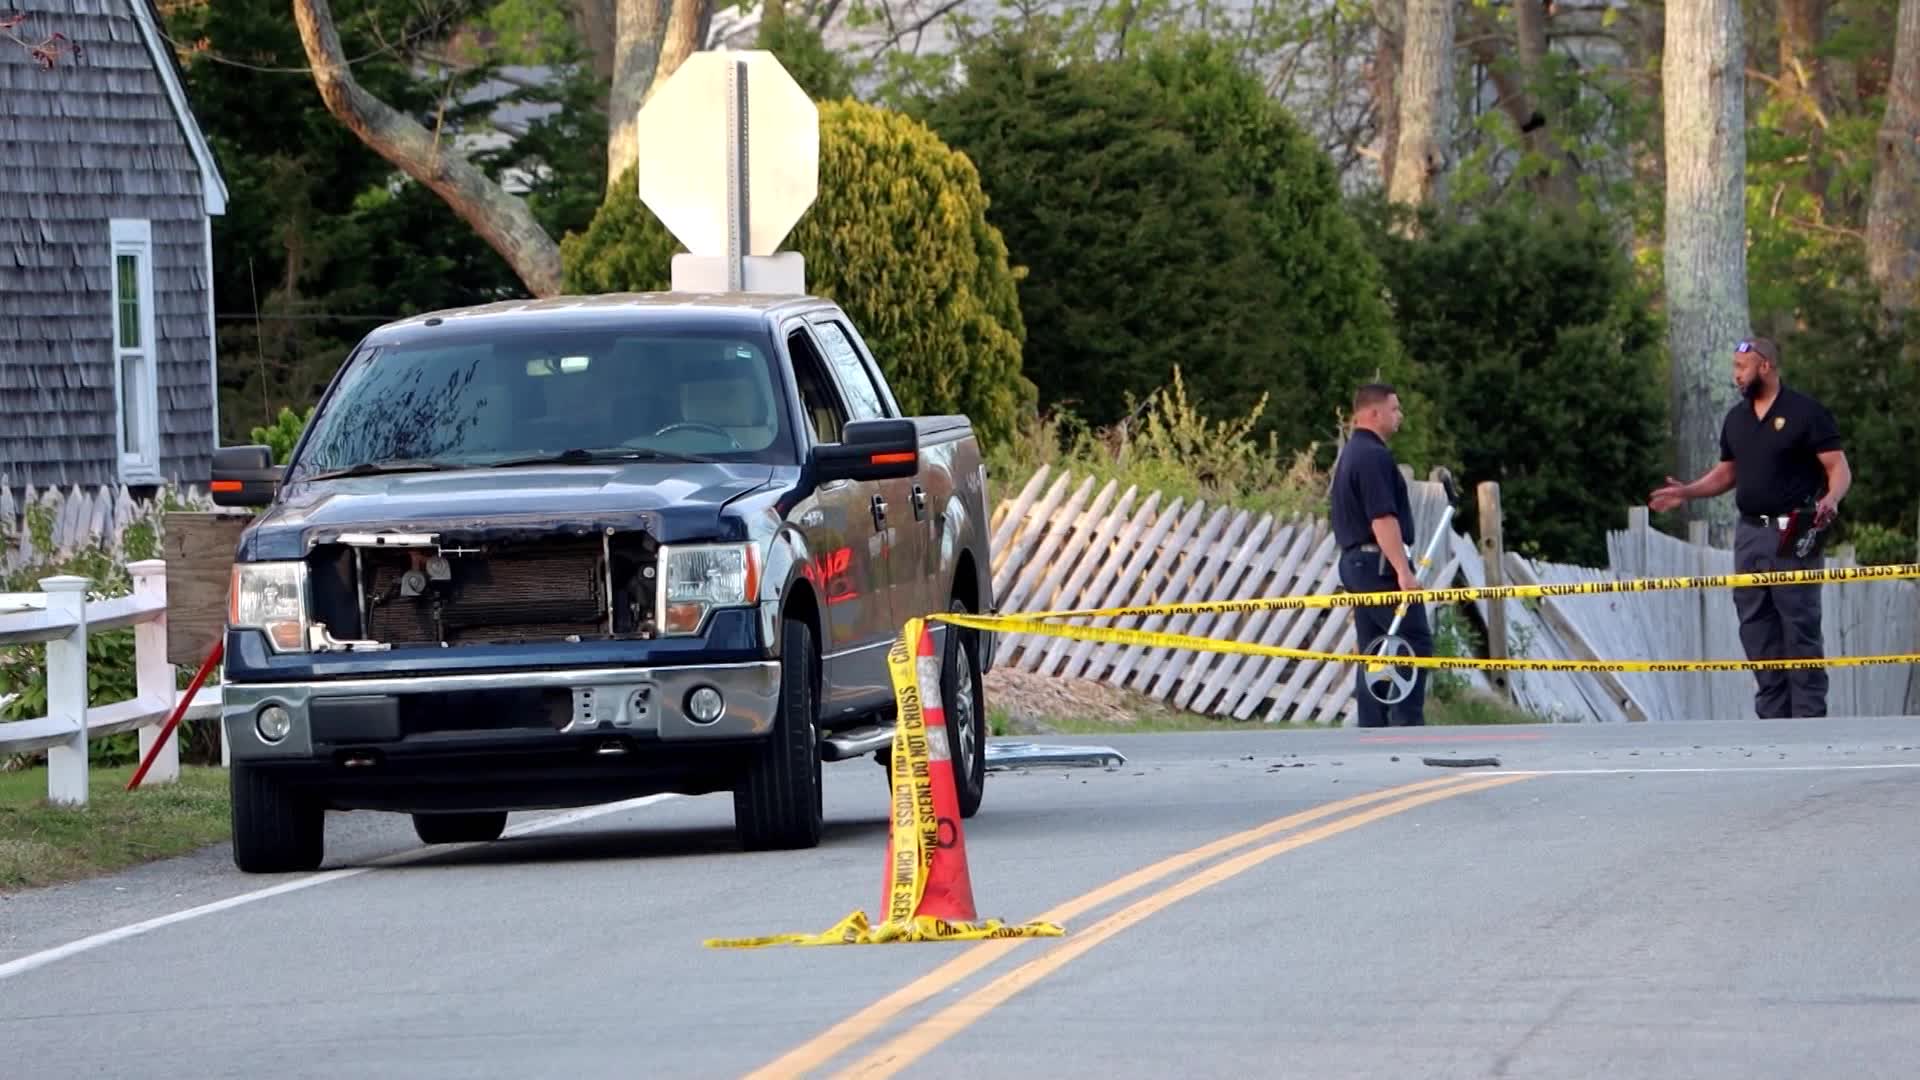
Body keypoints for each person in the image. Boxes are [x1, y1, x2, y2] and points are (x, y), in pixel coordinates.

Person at [1648, 336, 1851, 719]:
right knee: (1755, 624)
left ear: (1766, 367)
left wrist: (1832, 498)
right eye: (1734, 368)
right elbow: (1728, 473)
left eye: (1742, 368)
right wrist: (1688, 491)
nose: (1736, 376)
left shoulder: (1806, 412)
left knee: (1799, 622)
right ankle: (1773, 717)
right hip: (1749, 533)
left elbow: (1838, 468)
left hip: (1795, 528)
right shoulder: (1736, 420)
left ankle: (1808, 717)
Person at [1330, 383, 1432, 727]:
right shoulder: (1373, 456)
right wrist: (1403, 571)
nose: (1399, 416)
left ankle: (1372, 726)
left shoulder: (1351, 454)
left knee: (1374, 647)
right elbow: (1382, 517)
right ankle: (1407, 724)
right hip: (1377, 563)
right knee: (1414, 639)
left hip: (1356, 562)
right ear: (1373, 413)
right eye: (1394, 409)